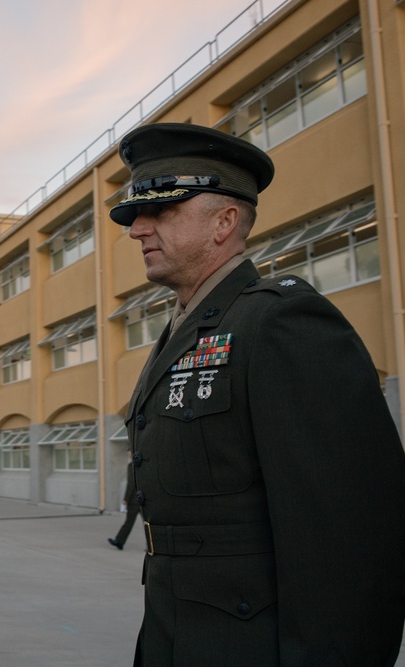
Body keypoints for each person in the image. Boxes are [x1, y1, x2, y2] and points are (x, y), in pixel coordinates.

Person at [110, 122, 405, 666]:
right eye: (135, 215)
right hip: (174, 636)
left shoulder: (280, 320)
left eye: (162, 212)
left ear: (224, 222)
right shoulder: (185, 329)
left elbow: (351, 542)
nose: (137, 230)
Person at [107, 459, 139, 550]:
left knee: (129, 522)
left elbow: (131, 483)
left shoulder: (132, 465)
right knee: (148, 523)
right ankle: (151, 545)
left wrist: (126, 498)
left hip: (134, 500)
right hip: (144, 498)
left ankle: (120, 541)